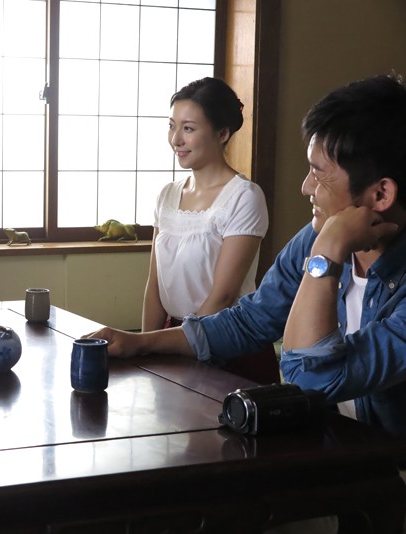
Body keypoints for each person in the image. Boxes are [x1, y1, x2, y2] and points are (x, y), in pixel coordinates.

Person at [88, 73, 406, 437]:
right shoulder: (316, 238)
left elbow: (312, 378)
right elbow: (251, 320)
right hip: (339, 443)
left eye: (319, 175)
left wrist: (327, 254)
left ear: (381, 195)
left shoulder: (323, 241)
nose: (306, 187)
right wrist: (140, 342)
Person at [144, 77, 277, 384]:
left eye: (189, 128)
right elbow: (154, 287)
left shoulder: (244, 196)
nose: (176, 139)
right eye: (171, 126)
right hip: (172, 338)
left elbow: (223, 296)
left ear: (222, 133)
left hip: (229, 342)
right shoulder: (167, 195)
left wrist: (181, 349)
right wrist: (146, 348)